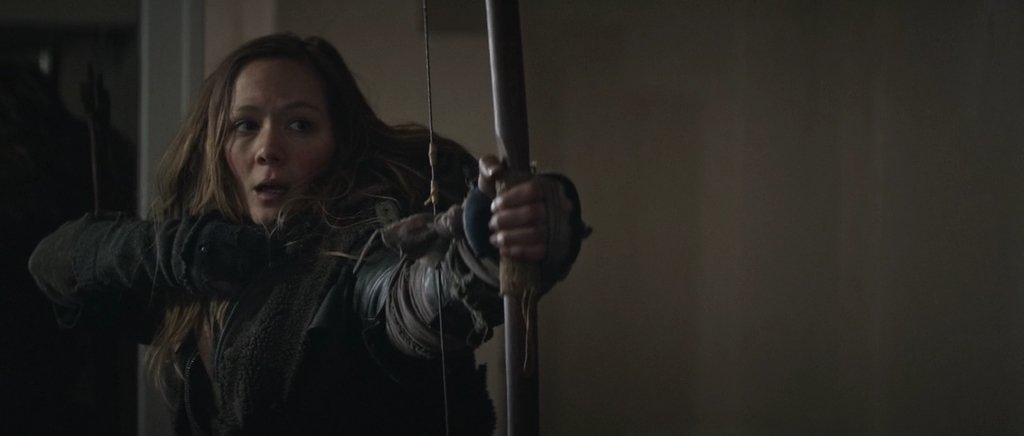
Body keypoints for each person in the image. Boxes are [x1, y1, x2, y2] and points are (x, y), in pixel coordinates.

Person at [28, 33, 585, 435]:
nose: (268, 149)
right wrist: (182, 250)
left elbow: (403, 300)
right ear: (216, 148)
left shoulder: (356, 248)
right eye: (246, 125)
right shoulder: (203, 267)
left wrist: (483, 253)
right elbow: (52, 263)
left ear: (338, 144)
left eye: (300, 125)